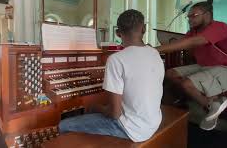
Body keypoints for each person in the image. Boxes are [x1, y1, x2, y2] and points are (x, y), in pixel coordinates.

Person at [59, 9, 165, 142]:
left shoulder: (116, 59)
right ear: (143, 29)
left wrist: (96, 107)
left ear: (118, 33)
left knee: (64, 125)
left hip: (132, 129)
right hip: (154, 121)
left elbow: (115, 114)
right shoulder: (155, 53)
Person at [156, 0, 227, 130]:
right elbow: (179, 45)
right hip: (204, 65)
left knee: (187, 83)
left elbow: (195, 42)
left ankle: (211, 104)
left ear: (207, 15)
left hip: (224, 67)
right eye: (188, 16)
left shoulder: (220, 27)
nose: (189, 19)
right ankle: (207, 99)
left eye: (193, 16)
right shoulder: (193, 31)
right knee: (170, 73)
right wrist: (150, 49)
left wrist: (156, 49)